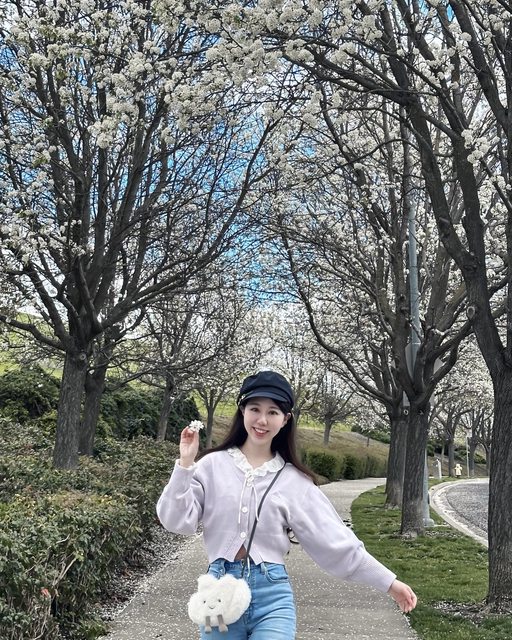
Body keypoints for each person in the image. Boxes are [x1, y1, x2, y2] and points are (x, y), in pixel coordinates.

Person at [156, 370, 417, 639]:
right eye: (255, 409)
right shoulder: (212, 465)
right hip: (218, 595)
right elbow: (175, 521)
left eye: (273, 412)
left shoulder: (295, 481)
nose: (262, 420)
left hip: (272, 597)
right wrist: (185, 464)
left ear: (285, 419)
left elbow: (334, 540)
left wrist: (388, 582)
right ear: (242, 410)